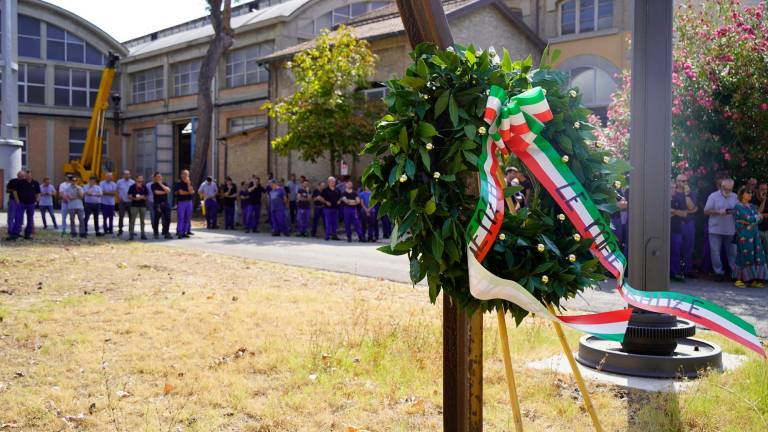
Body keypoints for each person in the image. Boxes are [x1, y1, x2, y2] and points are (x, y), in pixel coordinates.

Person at [732, 186, 767, 288]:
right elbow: (750, 218)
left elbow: (758, 219)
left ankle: (754, 280)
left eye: (751, 193)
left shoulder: (752, 206)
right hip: (744, 236)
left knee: (757, 257)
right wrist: (753, 219)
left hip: (754, 235)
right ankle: (738, 280)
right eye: (748, 192)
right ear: (742, 194)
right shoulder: (738, 206)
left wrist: (751, 220)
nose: (750, 194)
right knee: (743, 256)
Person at [704, 178, 738, 281]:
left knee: (733, 253)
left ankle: (734, 273)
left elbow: (739, 210)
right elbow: (706, 211)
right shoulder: (713, 196)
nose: (727, 190)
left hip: (730, 229)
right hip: (715, 229)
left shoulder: (735, 196)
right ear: (721, 186)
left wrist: (734, 212)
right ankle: (718, 273)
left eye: (729, 189)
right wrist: (719, 211)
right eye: (725, 188)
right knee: (715, 252)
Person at [670, 175, 697, 280]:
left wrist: (686, 194)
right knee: (675, 249)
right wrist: (683, 212)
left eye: (685, 181)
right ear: (676, 181)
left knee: (688, 248)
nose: (683, 183)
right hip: (676, 224)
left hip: (688, 223)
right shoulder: (673, 192)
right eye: (680, 181)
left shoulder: (691, 193)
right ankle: (675, 271)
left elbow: (693, 208)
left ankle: (687, 270)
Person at [12, 170, 38, 240]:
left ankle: (27, 234)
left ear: (31, 175)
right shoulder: (20, 182)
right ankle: (15, 234)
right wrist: (17, 201)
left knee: (30, 219)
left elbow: (38, 193)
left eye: (29, 175)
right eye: (26, 175)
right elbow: (14, 191)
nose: (27, 176)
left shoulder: (35, 183)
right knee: (18, 218)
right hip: (21, 203)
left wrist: (36, 201)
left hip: (31, 204)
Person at [150, 172, 172, 239]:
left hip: (166, 204)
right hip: (158, 204)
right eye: (158, 176)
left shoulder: (164, 183)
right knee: (157, 219)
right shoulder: (153, 185)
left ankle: (166, 232)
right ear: (155, 178)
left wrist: (161, 184)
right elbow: (157, 192)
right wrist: (165, 191)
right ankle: (156, 233)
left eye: (160, 176)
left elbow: (169, 190)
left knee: (167, 219)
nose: (159, 177)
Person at [174, 170, 195, 238]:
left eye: (187, 174)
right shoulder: (178, 183)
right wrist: (189, 192)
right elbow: (181, 193)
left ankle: (184, 232)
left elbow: (192, 191)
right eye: (184, 174)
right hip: (181, 202)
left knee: (187, 217)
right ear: (181, 175)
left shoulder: (189, 183)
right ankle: (179, 232)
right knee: (181, 218)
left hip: (189, 202)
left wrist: (189, 184)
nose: (186, 176)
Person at [319, 177, 341, 241]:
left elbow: (340, 197)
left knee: (335, 222)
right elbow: (320, 197)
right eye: (331, 181)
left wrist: (339, 200)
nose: (333, 182)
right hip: (327, 209)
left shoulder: (337, 190)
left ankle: (334, 235)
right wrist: (326, 202)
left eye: (334, 181)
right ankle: (327, 235)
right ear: (328, 182)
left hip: (336, 208)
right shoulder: (325, 190)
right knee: (328, 222)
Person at [127, 175, 149, 240]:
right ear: (136, 179)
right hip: (134, 206)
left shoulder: (144, 186)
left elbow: (147, 196)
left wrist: (142, 197)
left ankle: (143, 234)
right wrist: (135, 198)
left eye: (141, 179)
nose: (140, 180)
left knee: (142, 221)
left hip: (143, 206)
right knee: (132, 220)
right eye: (139, 178)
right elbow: (129, 196)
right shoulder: (132, 187)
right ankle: (131, 235)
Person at [115, 170, 135, 237]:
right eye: (125, 174)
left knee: (131, 217)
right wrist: (118, 198)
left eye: (128, 174)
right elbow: (117, 191)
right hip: (122, 202)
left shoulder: (132, 182)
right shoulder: (119, 182)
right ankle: (120, 230)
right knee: (121, 216)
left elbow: (134, 192)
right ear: (123, 175)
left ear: (130, 175)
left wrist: (133, 198)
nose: (127, 175)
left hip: (130, 202)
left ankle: (131, 231)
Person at [5, 171, 24, 236]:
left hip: (22, 201)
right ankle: (10, 230)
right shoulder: (12, 181)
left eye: (22, 176)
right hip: (13, 200)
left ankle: (18, 231)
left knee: (20, 216)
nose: (21, 177)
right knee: (11, 216)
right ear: (17, 175)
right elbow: (7, 190)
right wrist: (13, 190)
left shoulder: (25, 182)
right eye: (20, 175)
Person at [756, 183, 768, 253]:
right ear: (757, 190)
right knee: (757, 252)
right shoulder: (752, 199)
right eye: (762, 189)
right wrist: (763, 201)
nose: (764, 191)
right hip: (756, 230)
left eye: (766, 189)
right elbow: (757, 215)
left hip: (767, 230)